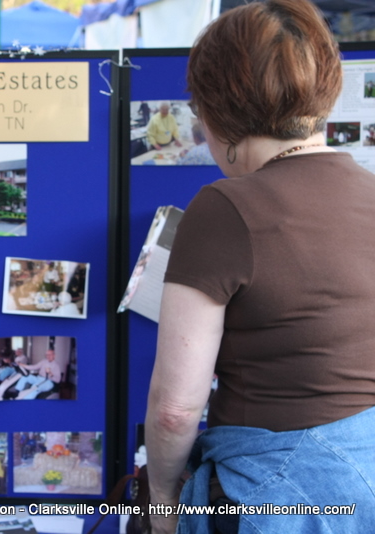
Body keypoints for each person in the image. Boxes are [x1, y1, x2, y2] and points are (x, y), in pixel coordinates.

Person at [145, 1, 375, 533]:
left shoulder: (224, 208)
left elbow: (175, 410)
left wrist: (161, 501)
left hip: (279, 497)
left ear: (217, 109)